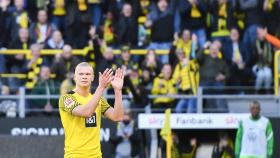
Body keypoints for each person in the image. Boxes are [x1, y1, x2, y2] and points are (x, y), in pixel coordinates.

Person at [59, 62, 124, 157]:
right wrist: (101, 87)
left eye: (87, 74)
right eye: (80, 74)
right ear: (75, 77)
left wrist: (118, 91)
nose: (84, 77)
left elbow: (117, 117)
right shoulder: (66, 98)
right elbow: (86, 112)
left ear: (93, 78)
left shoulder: (98, 99)